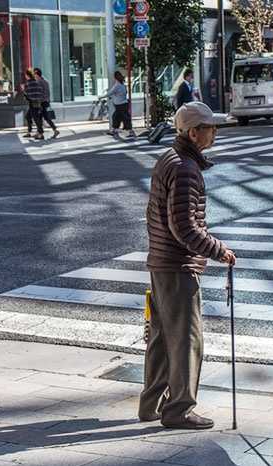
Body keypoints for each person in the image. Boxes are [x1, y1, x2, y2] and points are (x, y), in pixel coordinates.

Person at [139, 101, 236, 429]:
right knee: (186, 340)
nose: (215, 132)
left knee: (163, 338)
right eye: (210, 128)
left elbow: (158, 217)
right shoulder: (184, 169)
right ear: (194, 133)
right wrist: (219, 250)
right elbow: (185, 226)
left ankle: (150, 403)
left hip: (162, 261)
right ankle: (179, 409)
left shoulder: (170, 159)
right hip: (178, 267)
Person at [100, 71, 135, 138]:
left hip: (120, 105)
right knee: (118, 117)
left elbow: (110, 93)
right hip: (123, 104)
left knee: (121, 118)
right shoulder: (122, 85)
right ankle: (115, 130)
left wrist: (101, 97)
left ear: (115, 77)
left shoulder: (117, 85)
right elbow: (119, 94)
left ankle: (129, 132)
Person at [33, 68, 59, 139]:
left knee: (43, 118)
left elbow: (39, 93)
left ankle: (53, 130)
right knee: (42, 118)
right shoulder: (45, 81)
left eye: (34, 74)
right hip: (45, 102)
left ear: (36, 74)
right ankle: (40, 133)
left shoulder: (39, 82)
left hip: (42, 102)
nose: (33, 75)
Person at [23, 69, 45, 140]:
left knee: (35, 119)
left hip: (32, 103)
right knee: (28, 117)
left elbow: (27, 94)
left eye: (25, 75)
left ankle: (41, 134)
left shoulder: (28, 83)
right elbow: (40, 91)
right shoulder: (36, 82)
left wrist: (23, 90)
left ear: (27, 75)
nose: (25, 76)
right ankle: (29, 132)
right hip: (38, 102)